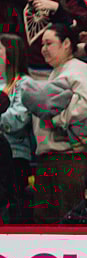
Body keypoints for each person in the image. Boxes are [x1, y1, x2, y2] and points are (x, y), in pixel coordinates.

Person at [19, 23, 87, 224]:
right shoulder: (59, 72)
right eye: (42, 44)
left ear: (67, 43)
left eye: (49, 43)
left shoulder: (78, 69)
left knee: (68, 223)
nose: (44, 49)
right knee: (46, 222)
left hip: (72, 160)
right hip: (53, 159)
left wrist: (61, 120)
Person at [0, 33, 33, 223]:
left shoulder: (24, 84)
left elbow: (17, 120)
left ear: (11, 54)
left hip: (15, 155)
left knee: (11, 207)